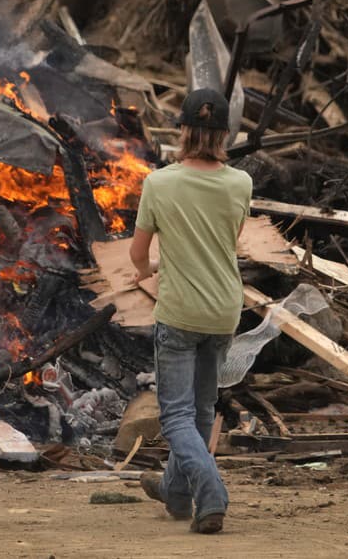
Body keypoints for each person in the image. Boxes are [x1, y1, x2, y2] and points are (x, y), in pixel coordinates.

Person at [129, 87, 250, 534]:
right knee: (201, 410)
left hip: (180, 312)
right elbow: (223, 241)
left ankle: (210, 491)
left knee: (176, 415)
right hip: (223, 311)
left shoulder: (159, 183)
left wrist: (148, 275)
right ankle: (176, 494)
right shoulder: (241, 182)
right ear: (223, 135)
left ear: (182, 130)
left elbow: (139, 255)